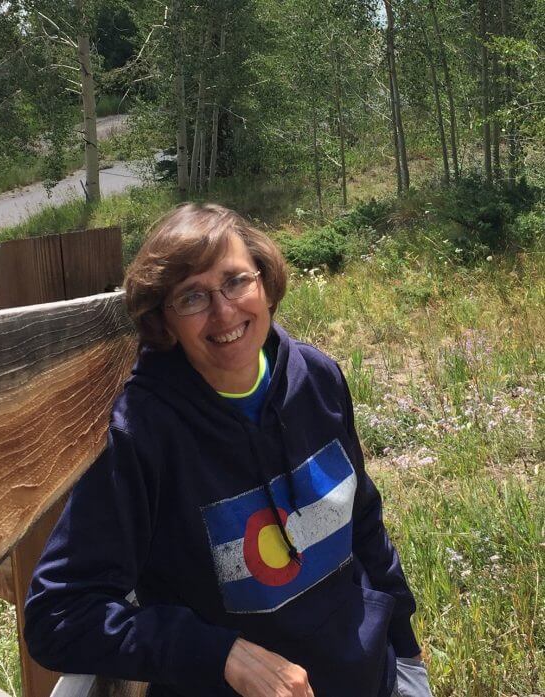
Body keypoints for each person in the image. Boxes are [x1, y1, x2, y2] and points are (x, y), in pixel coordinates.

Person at [24, 203, 432, 697]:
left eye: (236, 281)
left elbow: (363, 519)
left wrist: (406, 654)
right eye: (191, 297)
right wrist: (219, 654)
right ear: (164, 321)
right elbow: (58, 615)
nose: (223, 312)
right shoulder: (142, 435)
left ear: (265, 282)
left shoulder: (316, 377)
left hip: (368, 678)